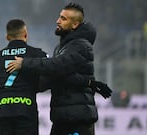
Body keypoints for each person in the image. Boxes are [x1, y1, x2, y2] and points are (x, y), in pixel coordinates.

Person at [7, 3, 112, 135]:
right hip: (63, 117)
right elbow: (55, 77)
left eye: (63, 18)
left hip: (78, 119)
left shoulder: (81, 45)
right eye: (59, 17)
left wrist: (25, 63)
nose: (58, 21)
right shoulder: (62, 47)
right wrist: (22, 87)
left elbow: (57, 66)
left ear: (74, 25)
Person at [0, 19, 48, 135]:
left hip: (2, 113)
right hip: (26, 113)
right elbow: (52, 75)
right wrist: (36, 87)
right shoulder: (37, 54)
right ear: (26, 34)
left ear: (7, 37)